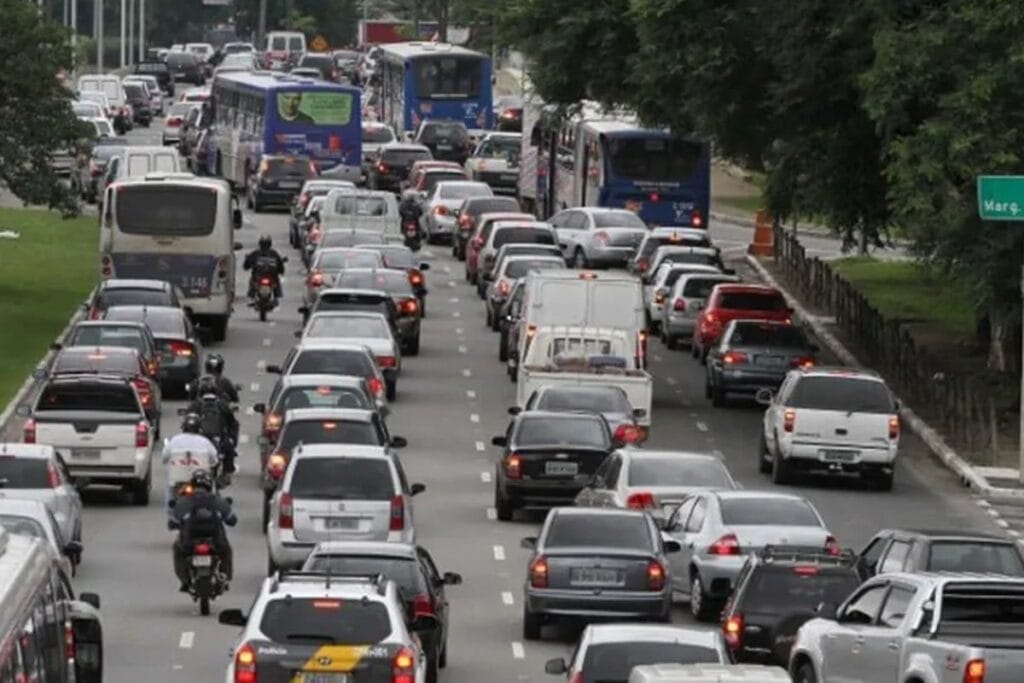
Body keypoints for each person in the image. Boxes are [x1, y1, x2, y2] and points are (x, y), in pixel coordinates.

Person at [170, 470, 236, 592]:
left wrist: (175, 524)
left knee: (178, 550)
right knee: (226, 551)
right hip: (216, 541)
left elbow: (172, 522)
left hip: (189, 542)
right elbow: (231, 519)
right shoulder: (216, 500)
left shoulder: (184, 500)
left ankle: (184, 580)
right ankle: (225, 576)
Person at [162, 412, 220, 509]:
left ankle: (171, 512)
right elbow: (214, 460)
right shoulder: (205, 442)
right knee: (213, 493)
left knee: (170, 495)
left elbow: (164, 458)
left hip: (177, 482)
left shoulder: (174, 440)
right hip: (201, 482)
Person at [186, 376, 238, 474]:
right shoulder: (222, 404)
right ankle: (226, 473)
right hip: (218, 440)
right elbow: (232, 422)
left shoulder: (195, 405)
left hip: (201, 440)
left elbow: (186, 423)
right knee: (229, 449)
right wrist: (232, 438)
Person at [243, 234, 286, 299]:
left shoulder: (256, 253)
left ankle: (251, 295)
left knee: (253, 281)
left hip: (263, 277)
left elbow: (247, 264)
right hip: (264, 277)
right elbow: (280, 265)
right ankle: (277, 295)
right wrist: (281, 271)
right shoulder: (274, 253)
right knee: (275, 282)